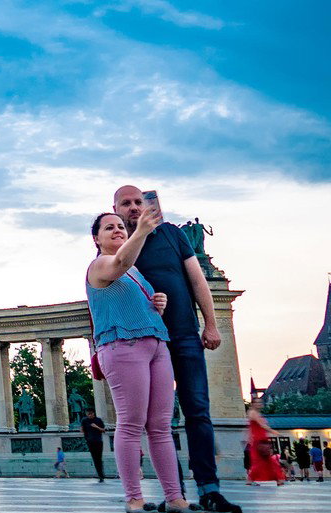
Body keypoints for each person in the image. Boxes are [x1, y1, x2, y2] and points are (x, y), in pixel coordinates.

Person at [113, 186, 241, 513]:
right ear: (115, 208)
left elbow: (197, 278)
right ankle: (176, 493)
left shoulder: (171, 234)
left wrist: (210, 323)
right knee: (158, 420)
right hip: (146, 341)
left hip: (184, 334)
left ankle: (209, 488)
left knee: (197, 410)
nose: (132, 208)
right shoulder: (120, 246)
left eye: (137, 202)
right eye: (125, 204)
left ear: (148, 206)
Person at [87, 209, 192, 512]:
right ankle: (134, 498)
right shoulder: (100, 264)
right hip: (123, 346)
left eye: (121, 226)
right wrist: (141, 231)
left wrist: (157, 303)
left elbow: (129, 286)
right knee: (131, 423)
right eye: (109, 228)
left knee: (160, 426)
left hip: (156, 345)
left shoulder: (136, 273)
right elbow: (120, 263)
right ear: (97, 238)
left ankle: (174, 497)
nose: (118, 230)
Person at [245, 398, 284, 485]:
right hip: (259, 440)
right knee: (264, 461)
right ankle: (278, 479)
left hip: (260, 440)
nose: (259, 404)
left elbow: (251, 428)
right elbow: (262, 425)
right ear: (253, 404)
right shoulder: (253, 413)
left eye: (260, 402)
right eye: (257, 402)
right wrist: (274, 432)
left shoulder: (254, 413)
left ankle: (251, 480)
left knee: (262, 461)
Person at [80, 408, 108, 482]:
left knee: (99, 458)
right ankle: (100, 475)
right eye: (88, 414)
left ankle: (101, 474)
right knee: (95, 458)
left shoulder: (98, 420)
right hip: (90, 441)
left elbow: (104, 430)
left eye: (91, 414)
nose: (90, 415)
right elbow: (82, 430)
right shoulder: (84, 420)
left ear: (93, 413)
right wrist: (83, 430)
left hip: (98, 441)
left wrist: (96, 427)